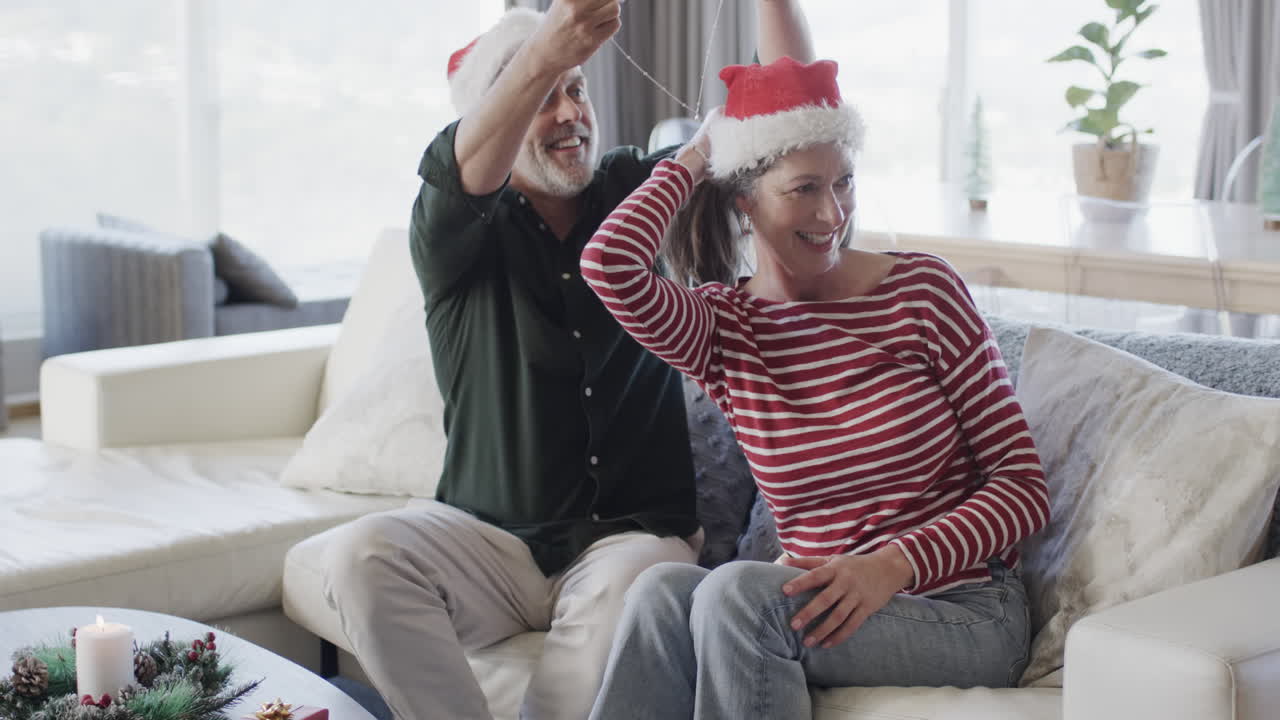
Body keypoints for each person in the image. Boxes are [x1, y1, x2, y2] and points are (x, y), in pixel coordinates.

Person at [320, 2, 820, 719]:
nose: (569, 112)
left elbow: (787, 105)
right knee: (359, 553)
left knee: (634, 583)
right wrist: (547, 51)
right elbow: (464, 170)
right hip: (489, 540)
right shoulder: (452, 231)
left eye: (578, 89)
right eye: (545, 92)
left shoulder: (634, 194)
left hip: (631, 541)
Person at [580, 56, 1051, 719]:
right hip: (821, 598)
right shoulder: (724, 329)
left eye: (845, 182)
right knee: (660, 592)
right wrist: (695, 157)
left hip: (962, 607)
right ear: (745, 199)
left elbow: (1023, 487)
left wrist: (893, 565)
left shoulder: (922, 292)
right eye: (804, 189)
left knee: (735, 596)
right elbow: (609, 264)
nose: (834, 213)